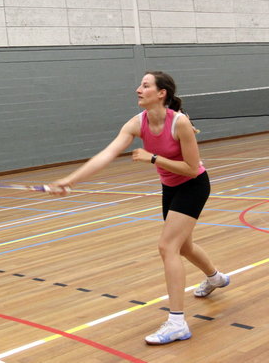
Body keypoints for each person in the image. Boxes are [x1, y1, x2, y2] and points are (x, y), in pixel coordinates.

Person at [49, 71, 229, 345]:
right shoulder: (136, 123)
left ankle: (177, 322)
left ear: (161, 93)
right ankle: (215, 278)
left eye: (145, 86)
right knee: (183, 246)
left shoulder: (179, 123)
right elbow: (106, 155)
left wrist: (153, 158)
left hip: (193, 185)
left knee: (167, 246)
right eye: (139, 85)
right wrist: (70, 180)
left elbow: (192, 169)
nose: (138, 89)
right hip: (170, 188)